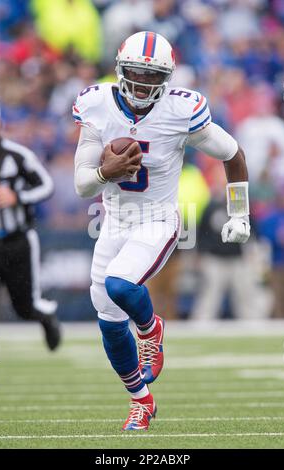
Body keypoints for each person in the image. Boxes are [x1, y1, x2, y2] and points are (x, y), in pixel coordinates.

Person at [73, 31, 250, 431]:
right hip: (113, 220)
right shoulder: (96, 103)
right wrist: (106, 172)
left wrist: (240, 214)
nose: (142, 83)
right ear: (120, 69)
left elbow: (232, 153)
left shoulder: (181, 110)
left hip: (158, 218)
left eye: (152, 76)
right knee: (107, 316)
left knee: (120, 285)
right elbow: (83, 184)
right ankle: (141, 401)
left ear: (167, 79)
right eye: (135, 73)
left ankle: (152, 330)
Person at [0, 94, 61, 386]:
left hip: (17, 241)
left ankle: (46, 318)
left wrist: (17, 197)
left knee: (24, 307)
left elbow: (47, 186)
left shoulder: (17, 156)